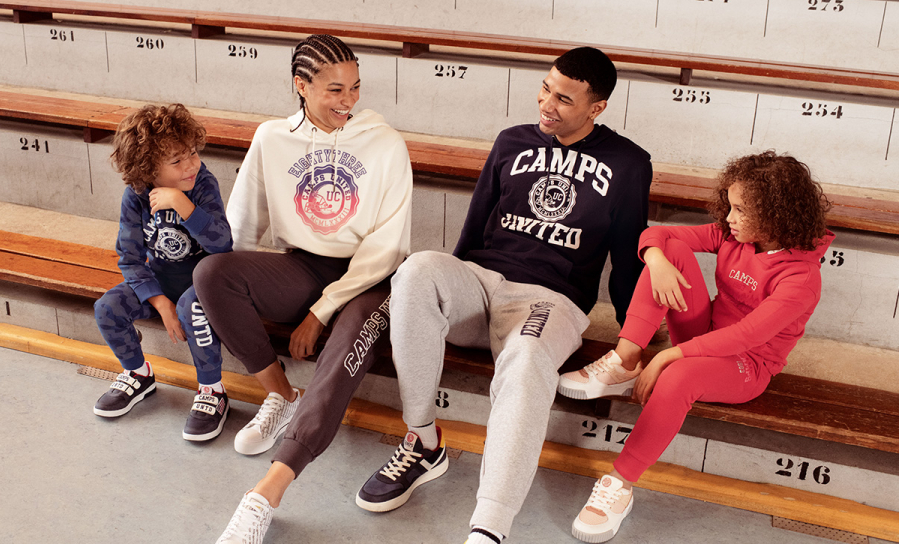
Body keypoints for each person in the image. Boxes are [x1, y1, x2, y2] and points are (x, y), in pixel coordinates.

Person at [356, 47, 652, 544]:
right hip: (480, 282)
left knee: (529, 355)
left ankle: (489, 529)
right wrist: (444, 293)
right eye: (545, 89)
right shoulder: (511, 141)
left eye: (564, 99)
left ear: (596, 107)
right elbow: (474, 226)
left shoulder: (627, 164)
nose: (546, 104)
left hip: (548, 300)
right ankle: (423, 442)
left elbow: (627, 257)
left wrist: (632, 339)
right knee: (417, 270)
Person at [193, 34, 413, 544]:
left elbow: (386, 248)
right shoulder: (272, 138)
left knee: (341, 350)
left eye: (355, 88)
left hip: (371, 280)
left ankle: (265, 494)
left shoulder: (385, 144)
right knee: (210, 275)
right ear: (301, 85)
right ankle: (281, 393)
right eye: (335, 90)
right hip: (303, 267)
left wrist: (321, 310)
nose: (348, 100)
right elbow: (242, 224)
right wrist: (207, 297)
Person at [560, 151, 833, 542]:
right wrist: (656, 260)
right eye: (730, 205)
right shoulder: (733, 235)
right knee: (671, 252)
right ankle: (625, 358)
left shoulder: (801, 278)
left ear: (775, 215)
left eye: (741, 210)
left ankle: (619, 485)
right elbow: (657, 235)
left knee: (679, 375)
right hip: (704, 334)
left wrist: (669, 355)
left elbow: (747, 335)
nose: (730, 218)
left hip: (747, 364)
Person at [93, 103, 234, 442]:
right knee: (107, 308)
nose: (191, 165)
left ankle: (213, 390)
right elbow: (129, 259)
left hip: (204, 282)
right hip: (161, 281)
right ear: (148, 169)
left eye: (192, 153)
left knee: (191, 309)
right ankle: (138, 374)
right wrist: (159, 302)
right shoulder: (135, 196)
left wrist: (182, 203)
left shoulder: (201, 184)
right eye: (176, 161)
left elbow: (222, 244)